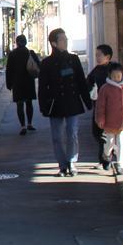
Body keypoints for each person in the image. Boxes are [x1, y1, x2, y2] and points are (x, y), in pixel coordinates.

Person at [38, 28, 92, 177]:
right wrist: (43, 106)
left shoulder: (73, 59)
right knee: (56, 136)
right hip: (55, 103)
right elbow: (42, 86)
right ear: (54, 43)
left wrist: (87, 102)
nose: (66, 41)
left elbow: (81, 81)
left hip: (72, 101)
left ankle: (71, 162)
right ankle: (62, 165)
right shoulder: (47, 63)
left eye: (66, 39)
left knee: (72, 133)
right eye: (62, 39)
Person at [95, 62, 123, 175]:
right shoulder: (105, 89)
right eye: (114, 76)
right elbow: (100, 106)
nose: (116, 78)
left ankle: (120, 164)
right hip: (109, 123)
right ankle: (106, 155)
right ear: (110, 75)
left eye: (118, 76)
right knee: (109, 143)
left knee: (121, 143)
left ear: (122, 75)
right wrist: (100, 119)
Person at [86, 44, 114, 169]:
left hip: (112, 107)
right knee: (97, 132)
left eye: (99, 55)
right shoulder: (96, 70)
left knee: (106, 134)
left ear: (107, 56)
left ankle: (106, 159)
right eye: (96, 55)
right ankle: (105, 157)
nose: (97, 57)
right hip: (98, 107)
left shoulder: (114, 69)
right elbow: (88, 83)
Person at [5, 35, 39, 135]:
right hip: (29, 81)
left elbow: (8, 70)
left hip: (17, 83)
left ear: (16, 42)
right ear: (25, 42)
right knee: (29, 103)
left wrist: (9, 84)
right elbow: (38, 65)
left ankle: (23, 126)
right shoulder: (30, 52)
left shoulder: (12, 54)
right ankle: (30, 124)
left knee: (20, 104)